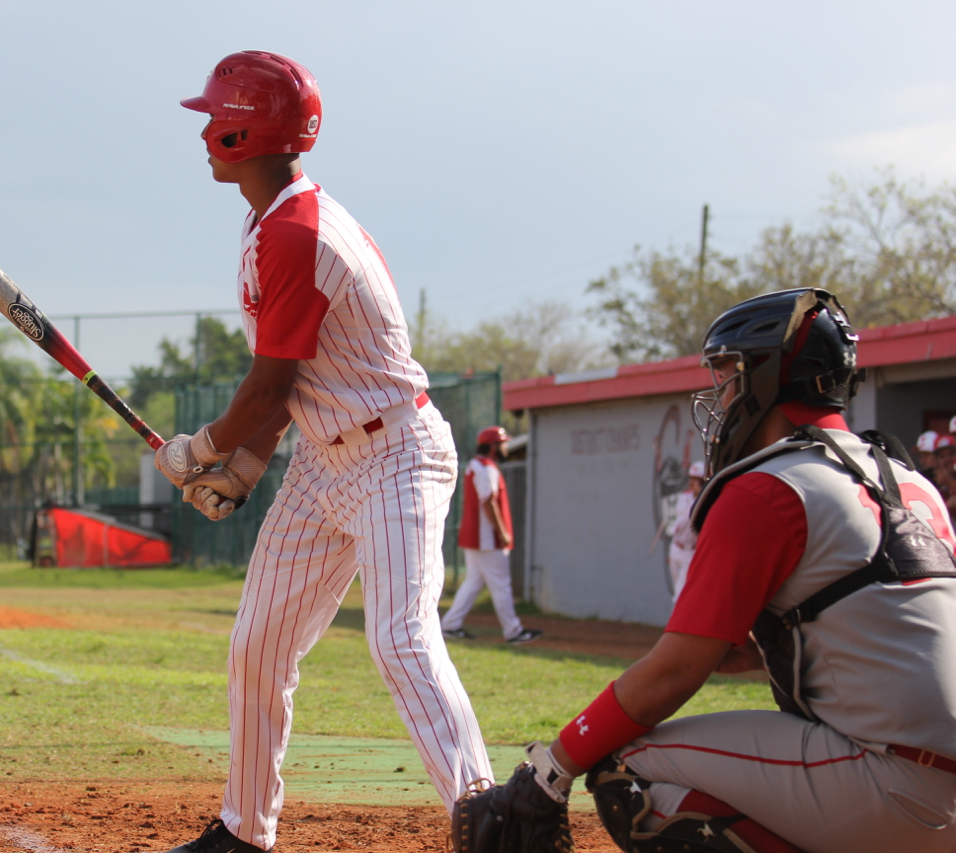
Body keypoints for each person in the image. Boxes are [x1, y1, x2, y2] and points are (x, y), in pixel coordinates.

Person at [461, 288, 956, 853]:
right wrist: (775, 650)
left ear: (769, 377)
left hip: (895, 792)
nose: (720, 396)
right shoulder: (911, 482)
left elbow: (675, 673)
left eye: (728, 374)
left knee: (628, 767)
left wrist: (551, 770)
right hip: (925, 783)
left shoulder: (772, 484)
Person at [153, 51, 494, 853]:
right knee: (258, 643)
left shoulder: (299, 228)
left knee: (400, 636)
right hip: (323, 459)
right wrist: (242, 465)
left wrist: (199, 449)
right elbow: (291, 382)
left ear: (249, 130)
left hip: (395, 454)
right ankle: (244, 830)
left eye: (217, 116)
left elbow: (269, 385)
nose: (206, 130)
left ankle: (491, 820)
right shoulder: (270, 218)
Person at [441, 425, 540, 644]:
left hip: (476, 536)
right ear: (493, 446)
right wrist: (502, 531)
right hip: (486, 538)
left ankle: (450, 625)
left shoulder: (477, 466)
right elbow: (488, 502)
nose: (506, 447)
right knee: (501, 584)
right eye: (503, 443)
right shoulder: (485, 468)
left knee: (473, 583)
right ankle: (513, 631)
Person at [664, 460, 705, 602]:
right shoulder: (683, 498)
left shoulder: (705, 502)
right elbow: (678, 520)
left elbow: (692, 517)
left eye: (696, 479)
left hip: (690, 552)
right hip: (676, 547)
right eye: (691, 479)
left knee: (680, 594)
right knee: (677, 590)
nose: (692, 482)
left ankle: (675, 624)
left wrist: (701, 494)